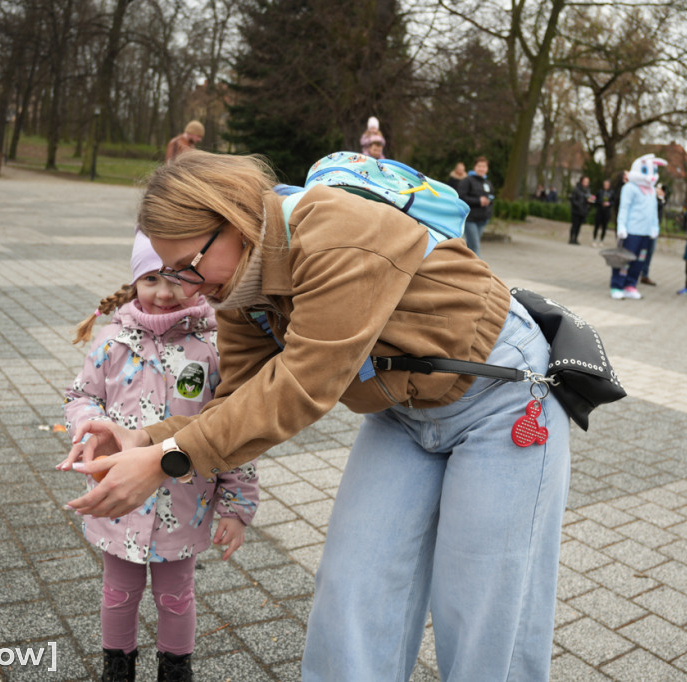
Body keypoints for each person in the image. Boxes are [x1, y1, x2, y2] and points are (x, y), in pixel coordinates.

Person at [63, 150, 572, 681]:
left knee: (484, 604)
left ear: (233, 220)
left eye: (189, 265)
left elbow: (301, 387)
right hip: (403, 409)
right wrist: (145, 439)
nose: (187, 288)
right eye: (169, 271)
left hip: (500, 395)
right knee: (353, 585)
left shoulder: (336, 230)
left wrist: (166, 461)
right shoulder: (237, 289)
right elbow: (237, 401)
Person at [58, 229, 259, 681]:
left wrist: (237, 506)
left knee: (176, 596)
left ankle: (175, 667)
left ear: (198, 278)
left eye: (176, 278)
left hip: (184, 505)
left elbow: (235, 429)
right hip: (117, 499)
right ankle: (117, 665)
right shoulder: (113, 341)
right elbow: (80, 395)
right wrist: (89, 425)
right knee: (117, 593)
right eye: (151, 279)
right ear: (135, 282)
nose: (164, 293)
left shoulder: (215, 345)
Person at [611, 154, 665, 300]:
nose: (650, 176)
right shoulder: (629, 188)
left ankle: (631, 285)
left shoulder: (652, 191)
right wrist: (621, 227)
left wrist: (654, 227)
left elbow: (653, 212)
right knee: (624, 259)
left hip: (645, 233)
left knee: (640, 260)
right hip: (631, 231)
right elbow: (624, 208)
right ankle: (617, 285)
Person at [457, 156, 494, 256]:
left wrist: (488, 202)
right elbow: (461, 197)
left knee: (471, 246)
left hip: (483, 219)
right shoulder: (467, 181)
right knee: (475, 247)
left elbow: (491, 197)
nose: (481, 168)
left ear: (487, 168)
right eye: (479, 166)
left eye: (484, 166)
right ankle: (479, 266)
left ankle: (465, 264)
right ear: (474, 167)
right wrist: (478, 201)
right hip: (470, 219)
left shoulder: (487, 183)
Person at [568, 175, 593, 245]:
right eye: (585, 181)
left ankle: (576, 238)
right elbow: (573, 199)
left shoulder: (588, 190)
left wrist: (590, 201)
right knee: (574, 225)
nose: (586, 183)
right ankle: (571, 238)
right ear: (582, 181)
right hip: (576, 210)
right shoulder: (576, 189)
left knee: (579, 226)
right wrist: (578, 205)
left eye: (587, 182)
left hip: (583, 211)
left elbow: (590, 200)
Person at [592, 179, 614, 246]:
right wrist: (601, 202)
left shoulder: (612, 193)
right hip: (599, 211)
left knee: (604, 227)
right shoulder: (600, 191)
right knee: (596, 226)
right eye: (605, 184)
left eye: (607, 185)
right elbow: (595, 200)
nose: (606, 186)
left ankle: (601, 240)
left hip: (606, 212)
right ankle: (594, 239)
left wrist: (608, 204)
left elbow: (613, 202)